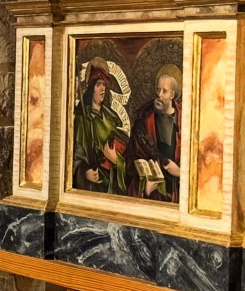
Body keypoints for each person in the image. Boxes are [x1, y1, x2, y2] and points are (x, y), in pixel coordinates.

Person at [72, 63, 129, 194]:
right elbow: (77, 153)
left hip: (113, 174)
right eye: (98, 85)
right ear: (92, 89)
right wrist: (84, 172)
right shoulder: (83, 119)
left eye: (104, 85)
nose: (102, 89)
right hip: (97, 180)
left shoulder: (109, 116)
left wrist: (118, 160)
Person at [130, 65, 183, 203]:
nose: (159, 95)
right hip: (154, 194)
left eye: (164, 91)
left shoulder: (186, 119)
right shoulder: (145, 121)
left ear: (172, 95)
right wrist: (145, 187)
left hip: (178, 194)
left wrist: (180, 172)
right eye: (158, 90)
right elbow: (133, 160)